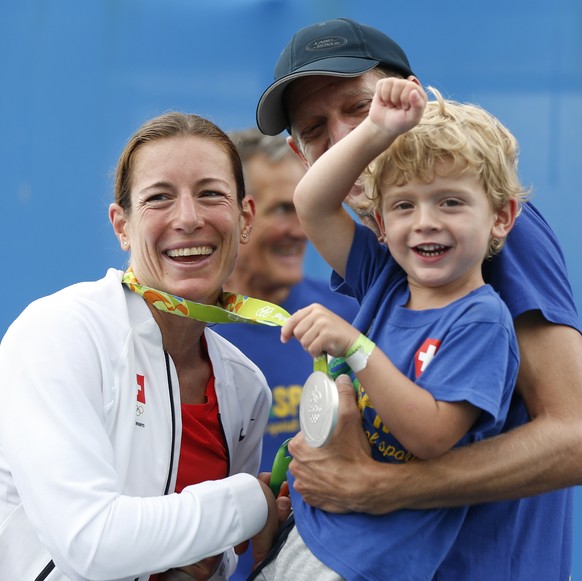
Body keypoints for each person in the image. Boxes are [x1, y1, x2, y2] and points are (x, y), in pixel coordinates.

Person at [255, 17, 582, 579]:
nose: (342, 138)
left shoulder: (495, 234)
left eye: (359, 109)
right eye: (315, 128)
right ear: (298, 152)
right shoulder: (391, 254)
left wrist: (381, 487)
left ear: (405, 102)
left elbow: (575, 435)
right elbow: (314, 203)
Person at [0, 112, 288, 580]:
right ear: (122, 226)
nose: (189, 219)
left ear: (245, 218)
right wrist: (245, 501)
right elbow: (90, 542)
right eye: (159, 198)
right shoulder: (60, 333)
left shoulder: (244, 386)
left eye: (211, 194)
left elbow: (205, 560)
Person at [215, 128, 358, 580]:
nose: (300, 229)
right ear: (242, 217)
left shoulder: (347, 312)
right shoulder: (188, 330)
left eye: (304, 208)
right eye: (282, 210)